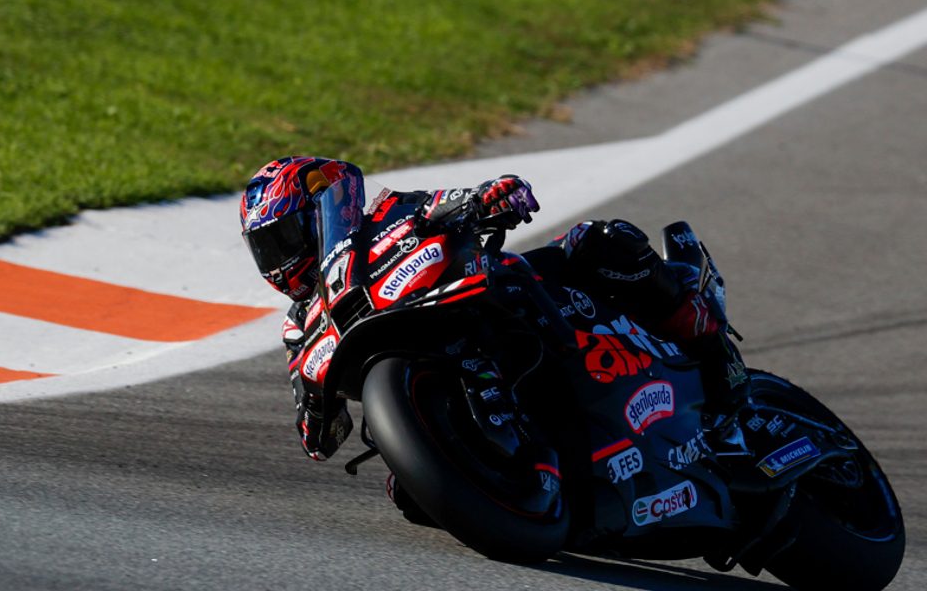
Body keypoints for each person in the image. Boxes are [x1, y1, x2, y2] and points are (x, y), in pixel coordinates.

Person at [239, 155, 746, 462]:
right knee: (409, 497)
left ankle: (709, 343)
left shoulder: (387, 214)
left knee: (601, 241)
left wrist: (490, 196)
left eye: (283, 236)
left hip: (497, 298)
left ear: (316, 215)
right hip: (422, 368)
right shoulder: (298, 329)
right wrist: (317, 409)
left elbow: (449, 203)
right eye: (267, 247)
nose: (280, 258)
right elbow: (320, 440)